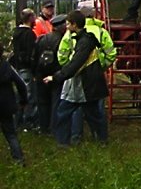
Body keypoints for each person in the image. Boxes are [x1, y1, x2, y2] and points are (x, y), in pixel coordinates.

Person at [45, 10, 109, 146]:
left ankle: (64, 142)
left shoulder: (84, 42)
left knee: (64, 112)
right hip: (86, 84)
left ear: (75, 25)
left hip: (83, 85)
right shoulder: (86, 38)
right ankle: (101, 140)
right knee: (93, 115)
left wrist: (56, 77)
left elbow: (75, 63)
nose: (66, 27)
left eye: (68, 24)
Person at [33, 13, 67, 135]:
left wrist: (36, 73)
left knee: (42, 102)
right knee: (55, 102)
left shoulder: (42, 39)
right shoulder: (63, 41)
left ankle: (43, 127)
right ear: (62, 27)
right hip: (56, 75)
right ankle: (54, 128)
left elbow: (35, 57)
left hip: (41, 75)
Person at [0, 47, 29, 165]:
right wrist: (23, 100)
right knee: (11, 134)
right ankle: (19, 159)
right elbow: (21, 85)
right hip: (6, 106)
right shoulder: (6, 67)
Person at [10, 8, 37, 130]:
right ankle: (28, 122)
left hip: (17, 67)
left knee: (20, 94)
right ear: (30, 18)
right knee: (29, 95)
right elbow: (31, 53)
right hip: (27, 68)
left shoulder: (16, 32)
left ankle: (17, 120)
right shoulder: (29, 34)